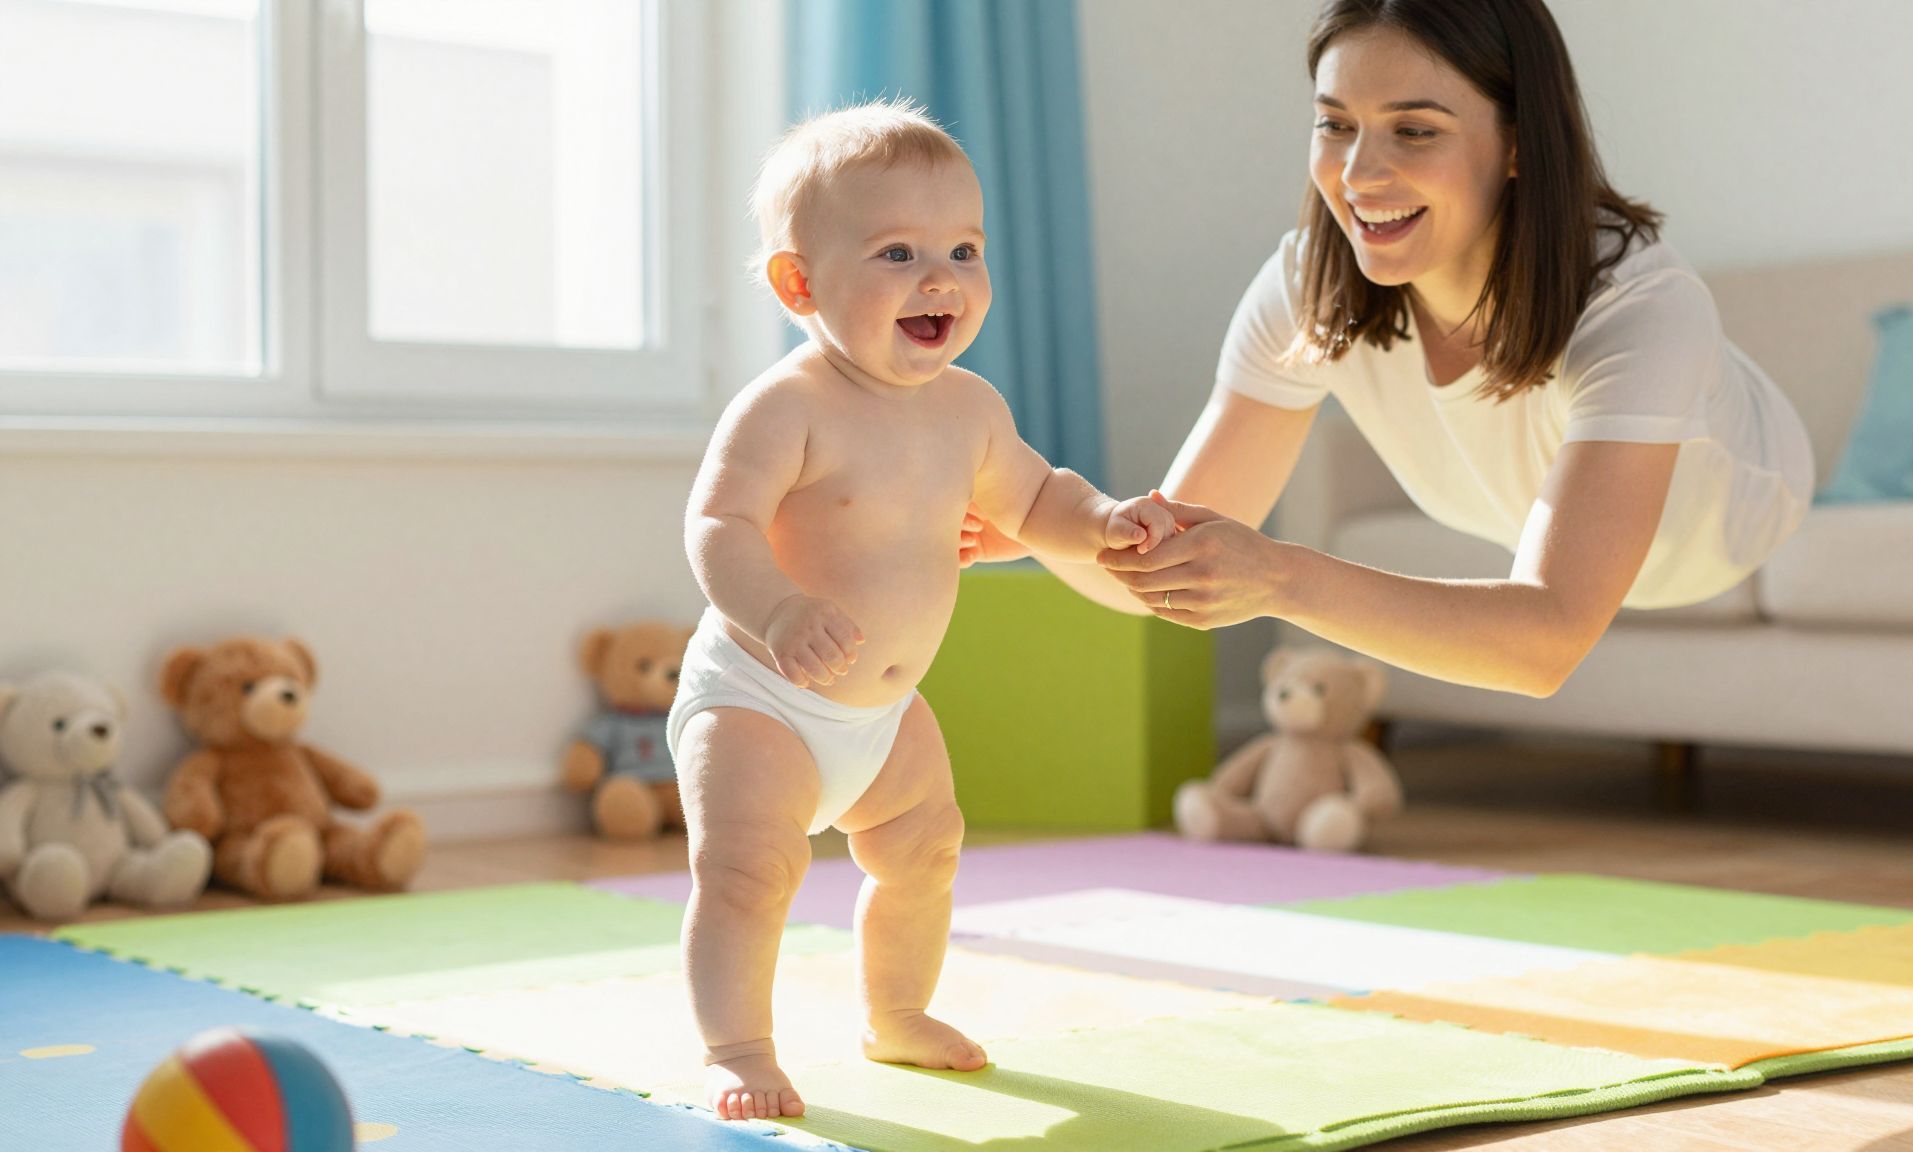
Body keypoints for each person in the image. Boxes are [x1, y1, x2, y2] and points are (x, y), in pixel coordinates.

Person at [962, 0, 1813, 701]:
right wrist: (1032, 511)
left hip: (1735, 517)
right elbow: (1161, 572)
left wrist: (1281, 578)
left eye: (1415, 131)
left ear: (1518, 143)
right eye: (1336, 124)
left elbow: (1544, 642)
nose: (1360, 174)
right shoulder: (1307, 290)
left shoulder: (1637, 307)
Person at [671, 100, 1175, 1122]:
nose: (938, 276)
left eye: (962, 248)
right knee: (747, 872)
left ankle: (894, 1012)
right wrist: (774, 609)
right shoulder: (789, 404)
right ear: (798, 283)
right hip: (762, 695)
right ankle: (735, 1046)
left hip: (882, 715)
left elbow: (1036, 502)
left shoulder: (970, 409)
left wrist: (1108, 521)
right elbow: (717, 523)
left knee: (924, 850)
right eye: (896, 252)